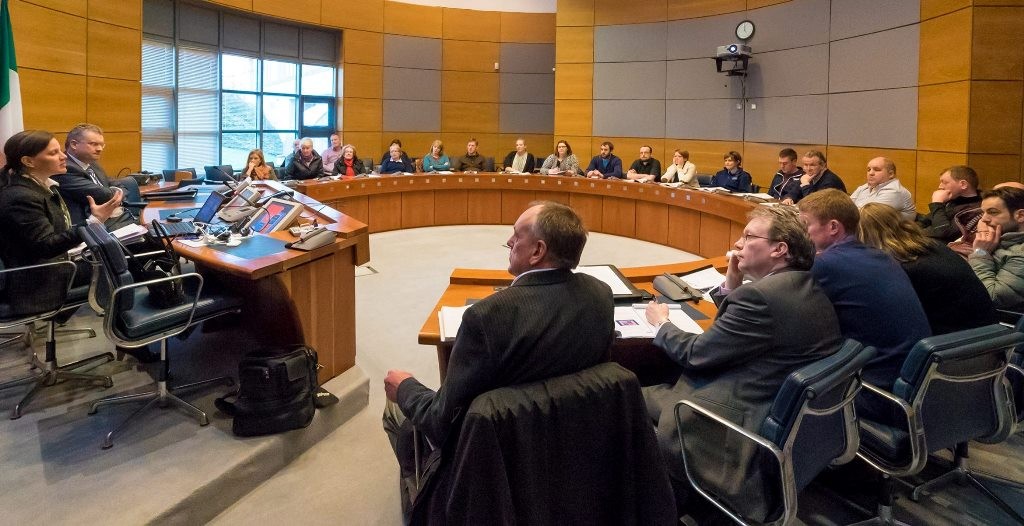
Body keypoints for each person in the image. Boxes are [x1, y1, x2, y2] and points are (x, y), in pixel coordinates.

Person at [383, 202, 616, 507]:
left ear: (537, 251)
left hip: (494, 465)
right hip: (572, 449)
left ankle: (426, 495)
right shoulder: (600, 293)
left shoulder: (487, 316)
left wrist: (406, 388)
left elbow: (442, 422)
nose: (508, 242)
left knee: (395, 406)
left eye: (516, 236)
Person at [643, 205, 842, 520]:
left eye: (749, 236)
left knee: (623, 394)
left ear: (779, 249)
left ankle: (650, 504)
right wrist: (731, 282)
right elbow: (745, 331)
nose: (737, 244)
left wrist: (661, 324)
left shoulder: (760, 298)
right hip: (771, 409)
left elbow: (696, 355)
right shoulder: (801, 285)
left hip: (732, 424)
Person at [797, 189, 930, 390]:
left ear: (833, 227)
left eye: (805, 225)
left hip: (873, 387)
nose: (802, 233)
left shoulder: (827, 263)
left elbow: (785, 309)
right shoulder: (881, 256)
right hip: (914, 382)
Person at [0, 130, 122, 283]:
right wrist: (93, 221)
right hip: (42, 278)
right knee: (123, 261)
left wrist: (91, 223)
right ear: (29, 162)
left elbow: (58, 231)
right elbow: (47, 246)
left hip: (62, 260)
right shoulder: (21, 197)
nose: (64, 156)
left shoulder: (44, 186)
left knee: (121, 251)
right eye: (53, 153)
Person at [858, 203, 996, 335]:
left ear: (864, 235)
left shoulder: (906, 267)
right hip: (982, 335)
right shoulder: (931, 246)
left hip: (955, 345)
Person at [53, 123, 140, 230]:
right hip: (97, 228)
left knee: (158, 229)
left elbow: (117, 184)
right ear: (74, 144)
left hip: (117, 218)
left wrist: (117, 192)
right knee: (157, 236)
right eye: (93, 144)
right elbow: (103, 195)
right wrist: (117, 193)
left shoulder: (91, 163)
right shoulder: (64, 168)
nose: (100, 149)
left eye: (102, 145)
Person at [968, 187, 1024, 310]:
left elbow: (994, 298)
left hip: (998, 321)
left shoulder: (1020, 253)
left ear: (1020, 215)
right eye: (983, 213)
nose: (984, 219)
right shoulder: (998, 240)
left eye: (993, 212)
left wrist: (980, 253)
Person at [918, 165, 982, 243]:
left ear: (963, 184)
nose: (940, 187)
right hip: (924, 239)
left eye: (944, 182)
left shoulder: (975, 210)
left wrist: (937, 203)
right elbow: (926, 221)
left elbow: (943, 233)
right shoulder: (953, 199)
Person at [850, 157, 916, 219]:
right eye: (868, 169)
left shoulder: (895, 192)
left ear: (891, 174)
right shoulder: (865, 187)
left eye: (876, 170)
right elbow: (846, 207)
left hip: (890, 230)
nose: (871, 173)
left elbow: (869, 217)